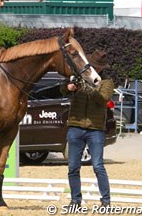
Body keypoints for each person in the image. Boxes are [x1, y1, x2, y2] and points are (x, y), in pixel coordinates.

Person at [61, 49, 114, 207]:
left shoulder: (107, 82)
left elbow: (102, 99)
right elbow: (63, 89)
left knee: (98, 166)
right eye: (93, 65)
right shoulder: (79, 76)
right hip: (75, 126)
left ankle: (105, 201)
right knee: (73, 167)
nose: (95, 68)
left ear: (102, 68)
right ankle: (75, 200)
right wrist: (68, 86)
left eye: (98, 66)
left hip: (95, 128)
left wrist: (86, 87)